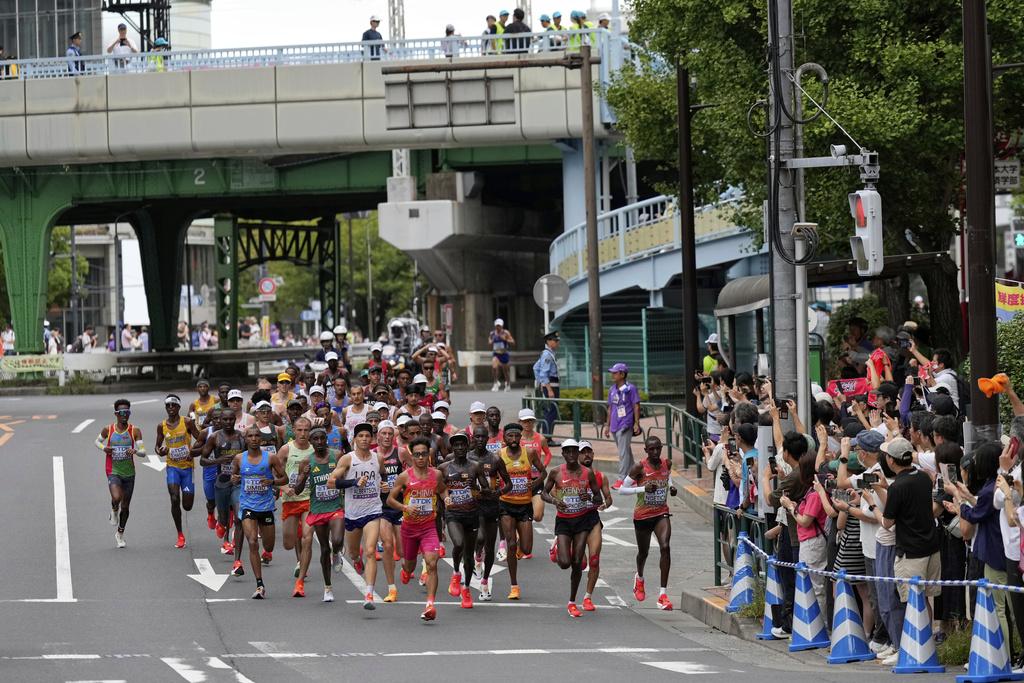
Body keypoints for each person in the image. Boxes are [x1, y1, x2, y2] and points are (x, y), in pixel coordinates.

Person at [287, 427, 352, 602]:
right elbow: (297, 490)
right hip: (318, 509)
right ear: (311, 442)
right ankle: (327, 587)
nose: (320, 442)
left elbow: (346, 476)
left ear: (326, 439)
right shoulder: (306, 462)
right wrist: (304, 475)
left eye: (322, 438)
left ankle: (337, 553)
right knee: (324, 549)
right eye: (315, 439)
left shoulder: (336, 456)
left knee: (337, 540)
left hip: (335, 506)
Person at [542, 439, 605, 617]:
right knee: (564, 563)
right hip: (564, 521)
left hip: (582, 521)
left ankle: (572, 602)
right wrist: (555, 501)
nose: (571, 454)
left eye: (574, 451)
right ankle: (558, 546)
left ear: (577, 453)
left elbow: (599, 500)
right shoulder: (556, 472)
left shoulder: (587, 473)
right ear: (562, 454)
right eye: (567, 451)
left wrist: (589, 497)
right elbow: (544, 493)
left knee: (578, 562)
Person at [387, 436, 448, 621]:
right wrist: (405, 507)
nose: (421, 457)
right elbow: (390, 500)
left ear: (429, 454)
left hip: (429, 527)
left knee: (432, 563)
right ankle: (406, 570)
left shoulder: (436, 474)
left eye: (424, 454)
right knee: (410, 565)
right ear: (412, 456)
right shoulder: (404, 476)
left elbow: (442, 490)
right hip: (409, 528)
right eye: (417, 454)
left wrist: (447, 498)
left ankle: (430, 605)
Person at [329, 422, 387, 609]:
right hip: (353, 513)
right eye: (360, 436)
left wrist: (384, 485)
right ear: (354, 439)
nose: (364, 439)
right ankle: (356, 559)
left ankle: (369, 594)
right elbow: (331, 482)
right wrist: (353, 482)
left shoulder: (378, 458)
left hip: (373, 510)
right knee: (354, 553)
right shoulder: (348, 459)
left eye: (367, 436)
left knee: (370, 551)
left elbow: (383, 475)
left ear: (372, 439)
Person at [618, 435, 677, 610]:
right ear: (646, 450)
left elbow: (667, 476)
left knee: (665, 547)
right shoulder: (639, 467)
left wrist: (671, 487)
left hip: (661, 513)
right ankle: (640, 578)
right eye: (651, 449)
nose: (655, 452)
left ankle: (662, 595)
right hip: (643, 516)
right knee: (643, 553)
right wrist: (643, 488)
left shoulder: (667, 463)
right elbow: (621, 490)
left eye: (658, 448)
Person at [232, 426, 288, 599]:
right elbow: (234, 478)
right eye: (250, 436)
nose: (254, 439)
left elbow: (284, 478)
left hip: (266, 507)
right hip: (247, 506)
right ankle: (259, 584)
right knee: (252, 541)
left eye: (257, 436)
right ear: (246, 439)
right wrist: (234, 479)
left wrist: (272, 482)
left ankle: (266, 553)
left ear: (261, 439)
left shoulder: (270, 458)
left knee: (268, 546)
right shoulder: (239, 458)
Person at [439, 433, 490, 608]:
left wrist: (475, 487)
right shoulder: (444, 468)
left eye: (462, 445)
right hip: (453, 513)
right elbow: (438, 488)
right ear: (452, 448)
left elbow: (485, 488)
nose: (459, 448)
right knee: (458, 544)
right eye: (456, 445)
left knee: (468, 558)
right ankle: (455, 573)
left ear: (467, 447)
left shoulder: (475, 466)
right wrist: (445, 499)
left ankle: (466, 589)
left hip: (472, 514)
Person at [498, 422, 546, 599]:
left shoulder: (530, 453)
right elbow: (492, 476)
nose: (513, 439)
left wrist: (535, 482)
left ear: (520, 437)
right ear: (504, 438)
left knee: (526, 549)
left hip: (525, 505)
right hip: (506, 504)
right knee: (511, 544)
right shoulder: (499, 455)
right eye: (509, 436)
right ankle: (514, 586)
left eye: (516, 435)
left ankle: (518, 548)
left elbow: (543, 472)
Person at [96, 399, 146, 548]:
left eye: (127, 412)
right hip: (113, 470)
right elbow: (97, 442)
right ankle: (113, 509)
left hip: (129, 473)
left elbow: (143, 452)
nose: (125, 415)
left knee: (126, 507)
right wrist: (104, 448)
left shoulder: (135, 431)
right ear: (116, 414)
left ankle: (120, 534)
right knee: (116, 497)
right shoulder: (108, 429)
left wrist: (135, 451)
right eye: (122, 412)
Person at [155, 394, 202, 548]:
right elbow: (157, 446)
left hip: (187, 468)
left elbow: (200, 440)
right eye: (168, 405)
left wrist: (193, 452)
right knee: (174, 498)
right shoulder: (161, 426)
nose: (171, 408)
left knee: (187, 506)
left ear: (179, 407)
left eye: (173, 405)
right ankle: (180, 534)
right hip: (172, 467)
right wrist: (160, 451)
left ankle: (182, 526)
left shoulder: (187, 422)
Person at [200, 411, 246, 561]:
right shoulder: (215, 437)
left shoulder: (242, 437)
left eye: (231, 419)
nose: (228, 422)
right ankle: (221, 523)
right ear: (220, 420)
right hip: (222, 482)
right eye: (225, 419)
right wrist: (218, 461)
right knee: (224, 519)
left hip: (238, 482)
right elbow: (202, 460)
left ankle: (237, 560)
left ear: (235, 420)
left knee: (239, 518)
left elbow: (251, 457)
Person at [469, 425, 509, 600]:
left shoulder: (495, 459)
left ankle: (485, 581)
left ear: (487, 439)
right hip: (473, 505)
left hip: (491, 505)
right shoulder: (467, 458)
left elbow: (509, 483)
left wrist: (498, 492)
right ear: (473, 438)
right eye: (477, 437)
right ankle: (477, 556)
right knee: (480, 538)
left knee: (490, 546)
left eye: (483, 437)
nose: (480, 440)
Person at [278, 417, 314, 596]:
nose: (303, 433)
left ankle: (300, 581)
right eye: (299, 430)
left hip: (309, 499)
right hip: (290, 500)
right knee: (288, 543)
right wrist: (284, 488)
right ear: (293, 430)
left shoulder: (314, 450)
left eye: (306, 430)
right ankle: (298, 540)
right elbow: (274, 473)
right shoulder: (286, 449)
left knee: (308, 538)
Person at [578, 440, 610, 611]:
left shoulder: (600, 477)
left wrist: (605, 504)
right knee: (580, 563)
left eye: (589, 451)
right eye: (583, 452)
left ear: (593, 454)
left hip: (592, 519)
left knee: (594, 560)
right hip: (574, 520)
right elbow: (556, 492)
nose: (586, 455)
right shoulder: (570, 475)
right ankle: (559, 542)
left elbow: (609, 498)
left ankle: (588, 597)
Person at [374, 420, 404, 602]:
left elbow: (412, 472)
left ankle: (406, 569)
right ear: (378, 435)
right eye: (383, 433)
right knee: (387, 545)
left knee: (402, 551)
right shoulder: (372, 455)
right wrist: (378, 486)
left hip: (399, 506)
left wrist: (403, 486)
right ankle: (391, 588)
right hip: (381, 507)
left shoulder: (400, 453)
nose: (386, 437)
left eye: (390, 434)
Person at [604, 362, 641, 489]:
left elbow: (636, 406)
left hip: (625, 424)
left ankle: (622, 478)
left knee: (623, 453)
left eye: (615, 373)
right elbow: (610, 408)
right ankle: (635, 475)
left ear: (622, 374)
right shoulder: (612, 389)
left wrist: (636, 423)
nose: (612, 375)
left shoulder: (631, 389)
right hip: (614, 425)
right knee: (626, 451)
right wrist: (607, 425)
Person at [533, 331, 560, 438]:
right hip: (551, 386)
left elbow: (536, 368)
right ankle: (547, 438)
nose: (557, 343)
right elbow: (544, 373)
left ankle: (547, 437)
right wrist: (548, 389)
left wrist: (541, 383)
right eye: (555, 341)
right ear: (549, 341)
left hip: (550, 386)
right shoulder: (547, 355)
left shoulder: (548, 353)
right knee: (551, 413)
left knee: (549, 412)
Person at [489, 318, 515, 391]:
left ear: (502, 326)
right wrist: (492, 341)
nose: (498, 327)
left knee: (505, 371)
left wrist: (505, 339)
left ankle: (508, 383)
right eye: (497, 326)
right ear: (495, 326)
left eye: (499, 326)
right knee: (494, 367)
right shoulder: (492, 334)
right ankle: (495, 383)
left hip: (504, 353)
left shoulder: (506, 333)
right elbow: (489, 342)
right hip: (496, 353)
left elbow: (513, 342)